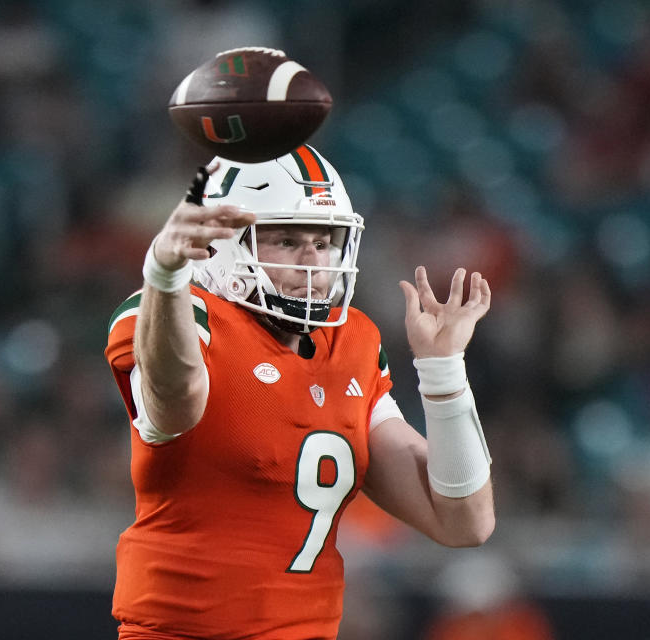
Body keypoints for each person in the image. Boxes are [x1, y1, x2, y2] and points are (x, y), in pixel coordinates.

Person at [105, 144, 495, 640]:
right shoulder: (177, 315)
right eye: (287, 240)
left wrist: (443, 372)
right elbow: (176, 401)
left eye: (325, 240)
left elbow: (466, 523)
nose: (313, 259)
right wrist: (165, 275)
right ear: (223, 244)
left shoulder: (351, 342)